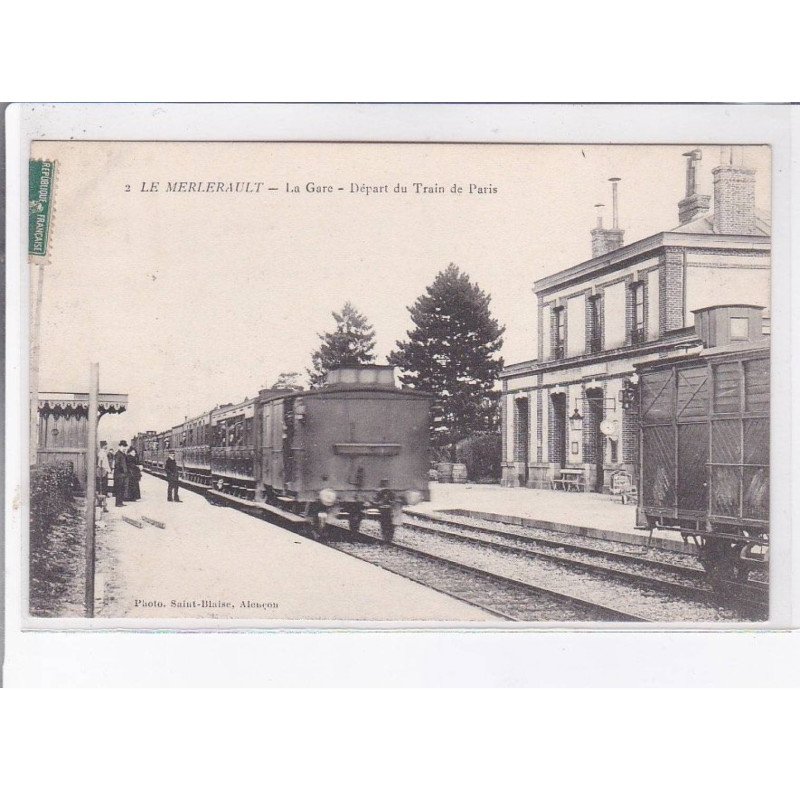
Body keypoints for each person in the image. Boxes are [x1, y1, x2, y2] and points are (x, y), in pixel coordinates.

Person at [113, 440, 129, 507]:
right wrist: (122, 470)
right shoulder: (118, 454)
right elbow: (116, 464)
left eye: (125, 447)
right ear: (120, 446)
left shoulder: (123, 454)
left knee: (122, 488)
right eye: (123, 447)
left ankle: (121, 502)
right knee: (119, 488)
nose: (125, 448)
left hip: (123, 474)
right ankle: (118, 503)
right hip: (119, 474)